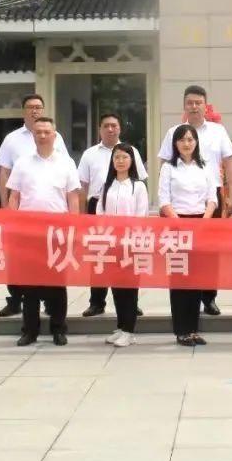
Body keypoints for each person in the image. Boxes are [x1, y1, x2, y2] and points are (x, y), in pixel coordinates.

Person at [159, 85, 232, 316]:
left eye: (198, 103)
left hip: (211, 198)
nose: (194, 107)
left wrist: (231, 195)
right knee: (182, 253)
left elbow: (229, 164)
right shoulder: (174, 132)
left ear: (205, 106)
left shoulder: (217, 131)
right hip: (179, 201)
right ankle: (184, 300)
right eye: (190, 103)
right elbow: (165, 164)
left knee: (209, 252)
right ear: (184, 106)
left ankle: (209, 298)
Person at [6, 117, 80, 347]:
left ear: (54, 135)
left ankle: (58, 329)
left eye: (47, 132)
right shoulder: (23, 163)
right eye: (38, 132)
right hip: (28, 231)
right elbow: (14, 197)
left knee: (57, 283)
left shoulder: (66, 163)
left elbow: (73, 198)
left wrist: (74, 229)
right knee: (29, 285)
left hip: (57, 231)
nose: (42, 136)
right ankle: (30, 330)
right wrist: (13, 226)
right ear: (33, 135)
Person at [0, 93, 68, 319]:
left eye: (39, 107)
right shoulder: (12, 139)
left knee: (51, 260)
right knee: (19, 260)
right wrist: (6, 207)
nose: (35, 110)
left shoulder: (56, 137)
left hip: (52, 214)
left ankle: (51, 304)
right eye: (30, 107)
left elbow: (65, 172)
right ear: (23, 111)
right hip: (22, 212)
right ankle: (16, 299)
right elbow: (4, 172)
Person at [78, 113, 147, 318]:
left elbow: (140, 180)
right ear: (99, 129)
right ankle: (96, 302)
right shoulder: (89, 154)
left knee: (128, 262)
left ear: (119, 128)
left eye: (114, 125)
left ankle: (131, 304)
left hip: (129, 209)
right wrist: (84, 217)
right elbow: (83, 186)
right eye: (106, 126)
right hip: (99, 207)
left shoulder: (131, 151)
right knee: (99, 259)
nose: (110, 129)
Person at [159, 123, 219, 346]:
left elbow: (212, 198)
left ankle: (193, 329)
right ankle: (181, 330)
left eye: (190, 139)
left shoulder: (205, 166)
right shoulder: (168, 168)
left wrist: (204, 221)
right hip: (177, 224)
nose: (186, 143)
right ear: (175, 143)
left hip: (201, 224)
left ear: (196, 142)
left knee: (196, 279)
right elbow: (164, 201)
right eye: (182, 139)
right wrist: (181, 224)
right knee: (179, 279)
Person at [97, 142, 150, 348]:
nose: (120, 161)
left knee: (130, 288)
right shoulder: (106, 186)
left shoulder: (138, 187)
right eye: (117, 157)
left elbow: (141, 215)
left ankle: (129, 330)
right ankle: (120, 326)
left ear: (132, 161)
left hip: (130, 244)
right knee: (116, 287)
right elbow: (100, 213)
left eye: (124, 157)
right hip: (111, 244)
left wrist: (129, 238)